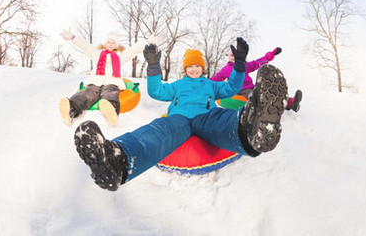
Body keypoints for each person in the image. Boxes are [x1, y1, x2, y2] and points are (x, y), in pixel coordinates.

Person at [73, 37, 290, 191]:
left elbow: (232, 88)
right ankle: (116, 161)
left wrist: (240, 64)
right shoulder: (177, 85)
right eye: (190, 66)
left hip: (206, 116)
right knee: (158, 131)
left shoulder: (211, 85)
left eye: (197, 66)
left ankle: (253, 129)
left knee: (224, 119)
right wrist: (153, 66)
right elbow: (157, 91)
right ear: (185, 69)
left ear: (202, 69)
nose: (194, 69)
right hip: (179, 119)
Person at [58, 28, 157, 126]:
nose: (110, 44)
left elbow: (133, 50)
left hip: (112, 82)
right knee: (87, 93)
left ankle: (111, 111)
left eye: (113, 43)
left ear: (116, 46)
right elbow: (85, 46)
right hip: (96, 81)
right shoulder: (97, 54)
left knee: (109, 93)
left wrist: (147, 42)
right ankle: (70, 110)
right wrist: (72, 37)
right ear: (104, 44)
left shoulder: (119, 56)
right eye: (108, 42)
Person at [210, 46, 303, 112]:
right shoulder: (226, 69)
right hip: (240, 91)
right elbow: (216, 78)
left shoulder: (244, 65)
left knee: (267, 91)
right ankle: (268, 107)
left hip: (251, 88)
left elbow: (256, 63)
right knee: (260, 96)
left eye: (237, 56)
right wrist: (202, 83)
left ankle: (290, 102)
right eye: (232, 56)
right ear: (229, 57)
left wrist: (268, 57)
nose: (235, 58)